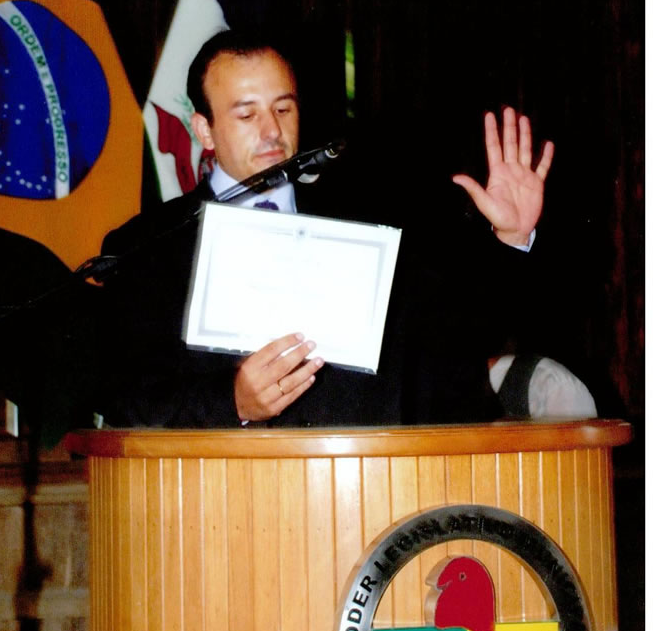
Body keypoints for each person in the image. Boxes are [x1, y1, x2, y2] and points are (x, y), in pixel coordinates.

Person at [96, 30, 554, 429]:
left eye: (283, 108)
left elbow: (454, 337)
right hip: (220, 494)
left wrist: (510, 240)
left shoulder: (366, 222)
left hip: (366, 488)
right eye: (247, 115)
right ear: (205, 130)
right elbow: (120, 392)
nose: (271, 131)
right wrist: (233, 401)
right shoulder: (147, 246)